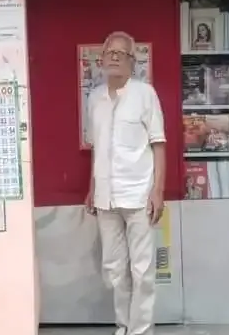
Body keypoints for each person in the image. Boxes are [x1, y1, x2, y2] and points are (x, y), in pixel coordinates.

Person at [84, 31, 167, 335]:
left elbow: (159, 144)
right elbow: (97, 148)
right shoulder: (94, 99)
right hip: (106, 199)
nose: (115, 57)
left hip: (139, 196)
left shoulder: (146, 95)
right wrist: (92, 189)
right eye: (110, 52)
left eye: (122, 53)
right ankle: (124, 327)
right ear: (101, 60)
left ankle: (141, 330)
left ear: (133, 61)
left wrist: (157, 191)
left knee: (142, 271)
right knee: (115, 270)